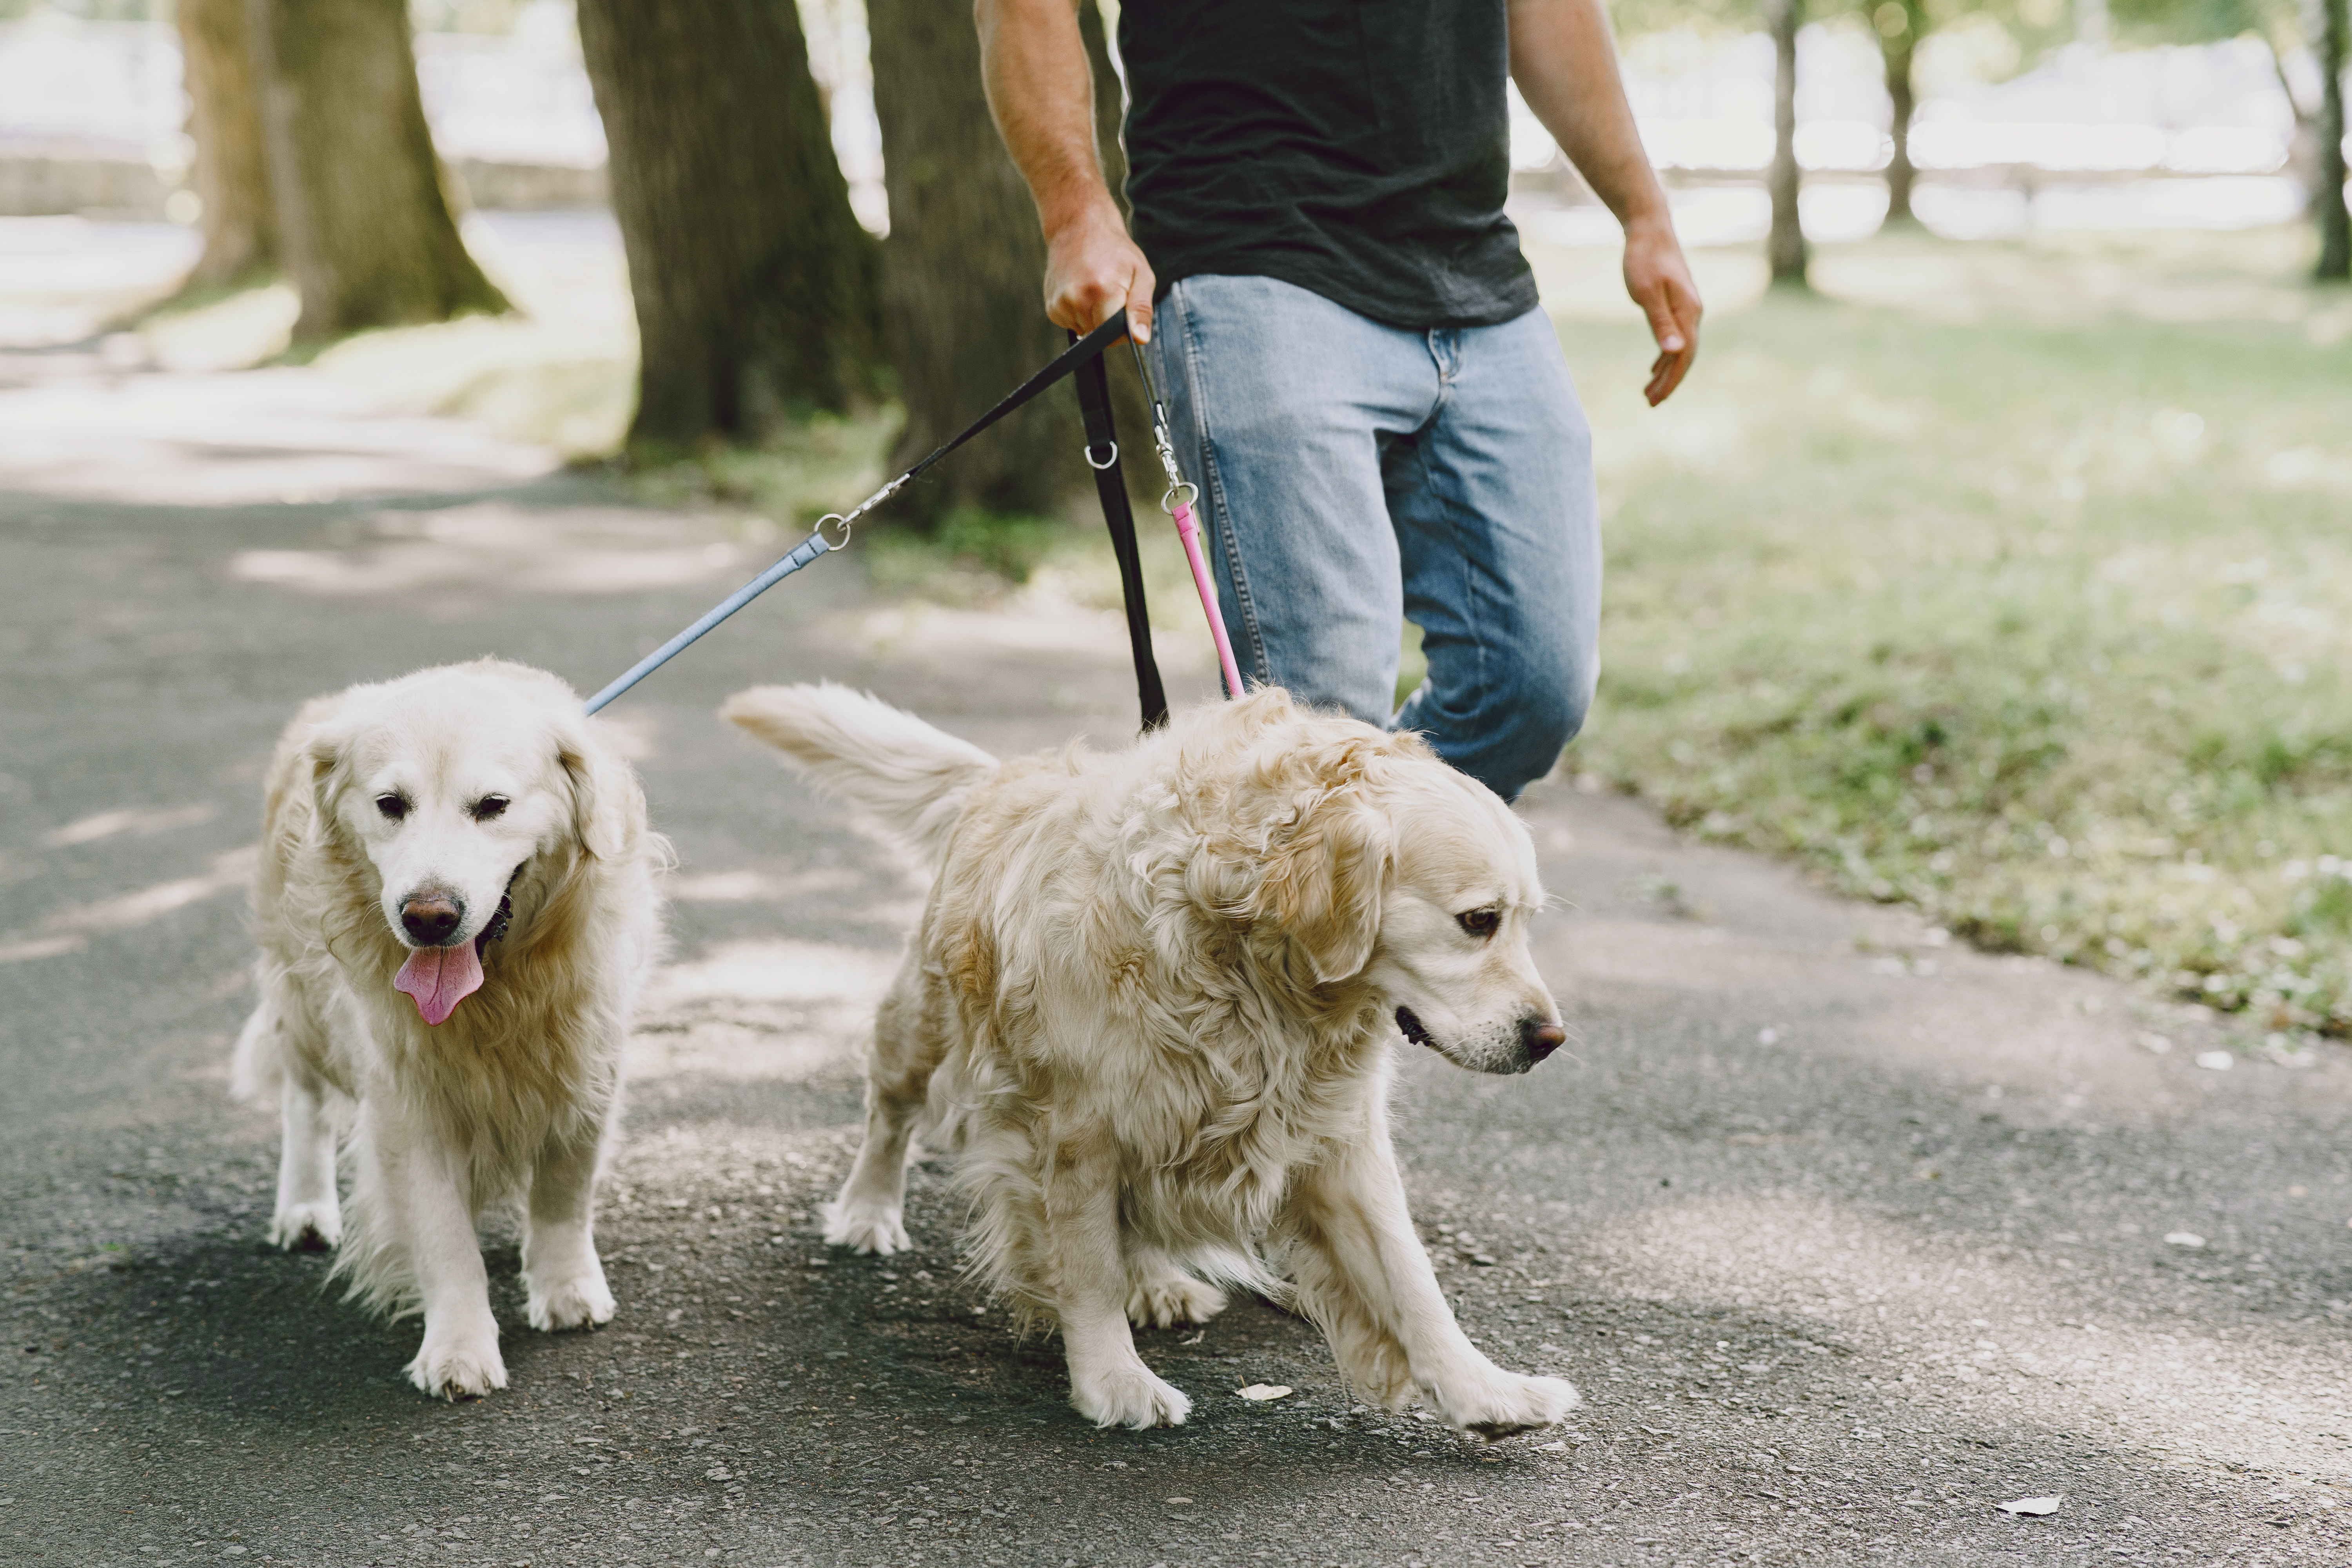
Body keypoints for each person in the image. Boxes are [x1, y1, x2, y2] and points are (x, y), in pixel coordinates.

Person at [976, 0, 1702, 801]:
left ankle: (1345, 864)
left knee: (1530, 685)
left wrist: (1644, 210)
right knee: (1318, 733)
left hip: (1473, 262)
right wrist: (1075, 212)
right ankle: (1320, 882)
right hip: (1253, 251)